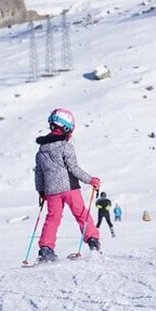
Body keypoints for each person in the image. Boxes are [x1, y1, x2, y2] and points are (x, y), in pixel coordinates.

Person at [35, 108, 101, 262]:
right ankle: (92, 240)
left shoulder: (41, 150)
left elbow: (38, 173)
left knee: (52, 218)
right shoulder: (66, 146)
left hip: (51, 191)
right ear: (66, 128)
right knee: (81, 213)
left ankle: (46, 249)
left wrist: (41, 191)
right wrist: (90, 180)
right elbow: (73, 168)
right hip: (70, 188)